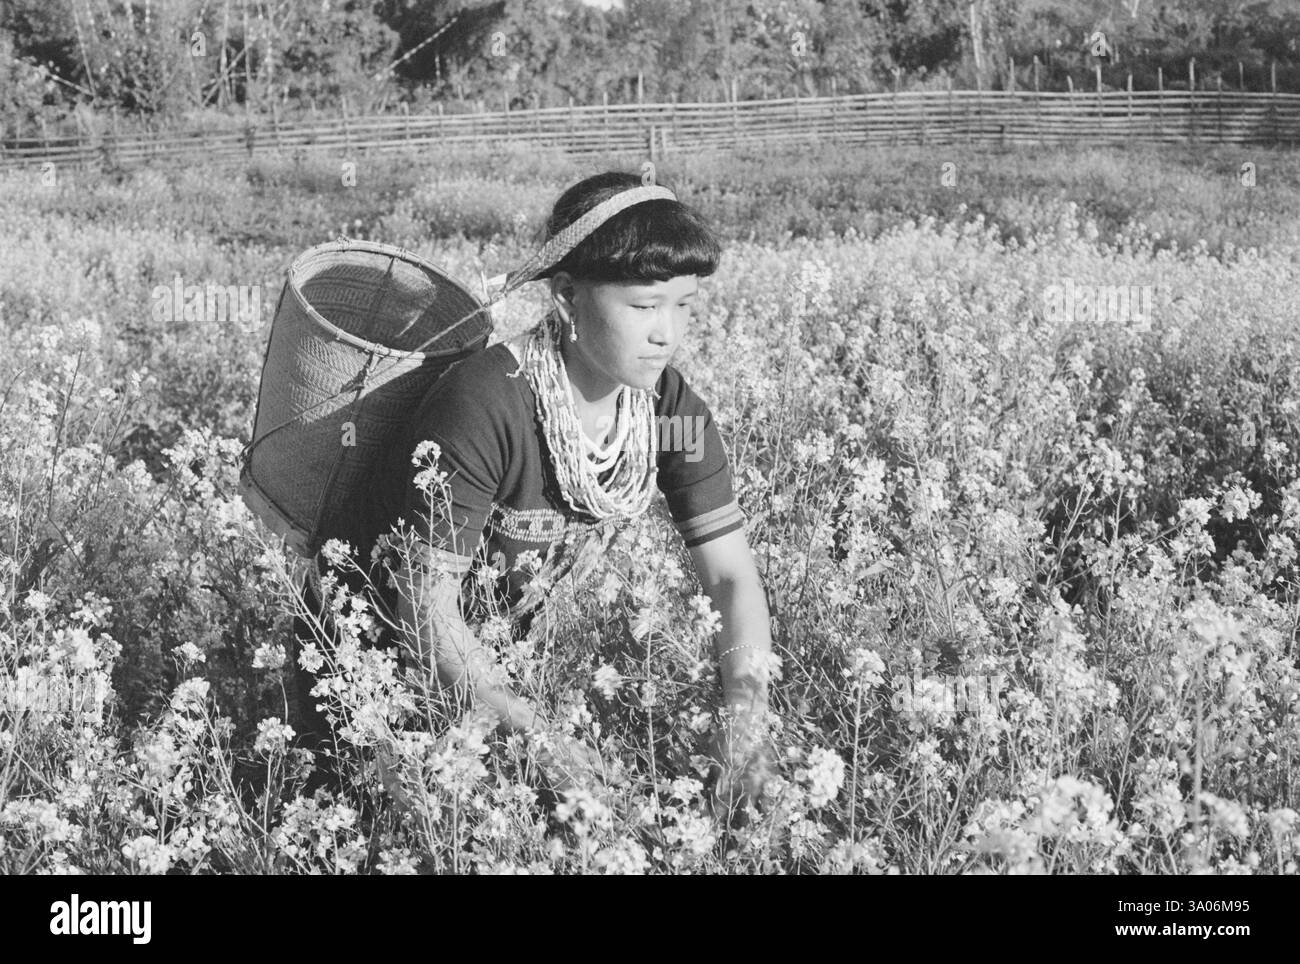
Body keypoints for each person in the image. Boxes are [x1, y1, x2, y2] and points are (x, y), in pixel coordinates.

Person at [292, 170, 775, 821]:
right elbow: (423, 615)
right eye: (642, 306)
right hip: (368, 664)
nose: (667, 332)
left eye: (684, 305)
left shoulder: (670, 409)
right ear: (569, 297)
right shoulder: (487, 402)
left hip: (497, 664)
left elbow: (731, 579)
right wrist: (542, 743)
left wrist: (745, 722)